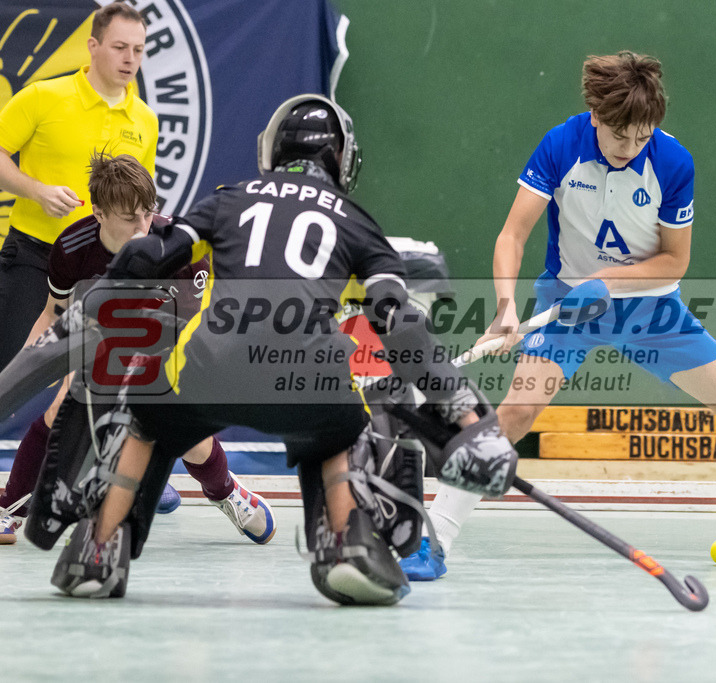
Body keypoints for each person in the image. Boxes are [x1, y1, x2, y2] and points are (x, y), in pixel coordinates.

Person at [38, 94, 517, 603]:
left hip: (208, 369)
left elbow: (152, 253)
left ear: (270, 152)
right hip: (305, 379)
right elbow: (401, 326)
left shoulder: (226, 200)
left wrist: (87, 311)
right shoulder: (357, 223)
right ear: (344, 160)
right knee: (347, 423)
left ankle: (98, 547)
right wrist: (469, 419)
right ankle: (348, 539)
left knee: (142, 416)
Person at [400, 50, 716, 580]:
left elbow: (674, 261)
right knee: (515, 414)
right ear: (596, 116)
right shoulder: (561, 146)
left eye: (642, 137)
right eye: (620, 137)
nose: (630, 148)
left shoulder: (673, 163)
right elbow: (513, 235)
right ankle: (435, 539)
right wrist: (505, 308)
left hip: (652, 306)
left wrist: (606, 283)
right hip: (565, 306)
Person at [0, 2, 158, 518]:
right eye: (119, 47)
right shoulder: (45, 96)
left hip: (103, 266)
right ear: (93, 47)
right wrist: (37, 191)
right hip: (34, 255)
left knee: (114, 374)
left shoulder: (144, 118)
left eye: (138, 49)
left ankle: (125, 472)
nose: (130, 58)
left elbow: (141, 200)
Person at [0, 153, 276, 547]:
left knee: (184, 432)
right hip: (98, 340)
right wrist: (21, 376)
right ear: (99, 213)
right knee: (63, 404)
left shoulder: (183, 249)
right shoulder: (72, 248)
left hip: (168, 343)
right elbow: (53, 315)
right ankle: (9, 509)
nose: (142, 226)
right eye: (129, 217)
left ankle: (226, 491)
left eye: (148, 213)